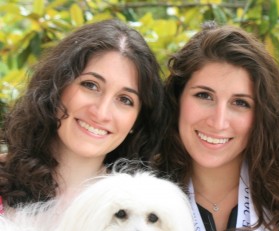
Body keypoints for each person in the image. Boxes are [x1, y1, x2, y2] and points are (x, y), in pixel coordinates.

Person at [158, 21, 279, 231]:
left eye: (240, 103)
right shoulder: (142, 201)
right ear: (177, 98)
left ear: (261, 115)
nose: (218, 121)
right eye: (204, 95)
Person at [0, 18, 165, 208]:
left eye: (125, 99)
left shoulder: (145, 211)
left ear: (137, 120)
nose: (101, 113)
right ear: (57, 86)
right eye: (91, 85)